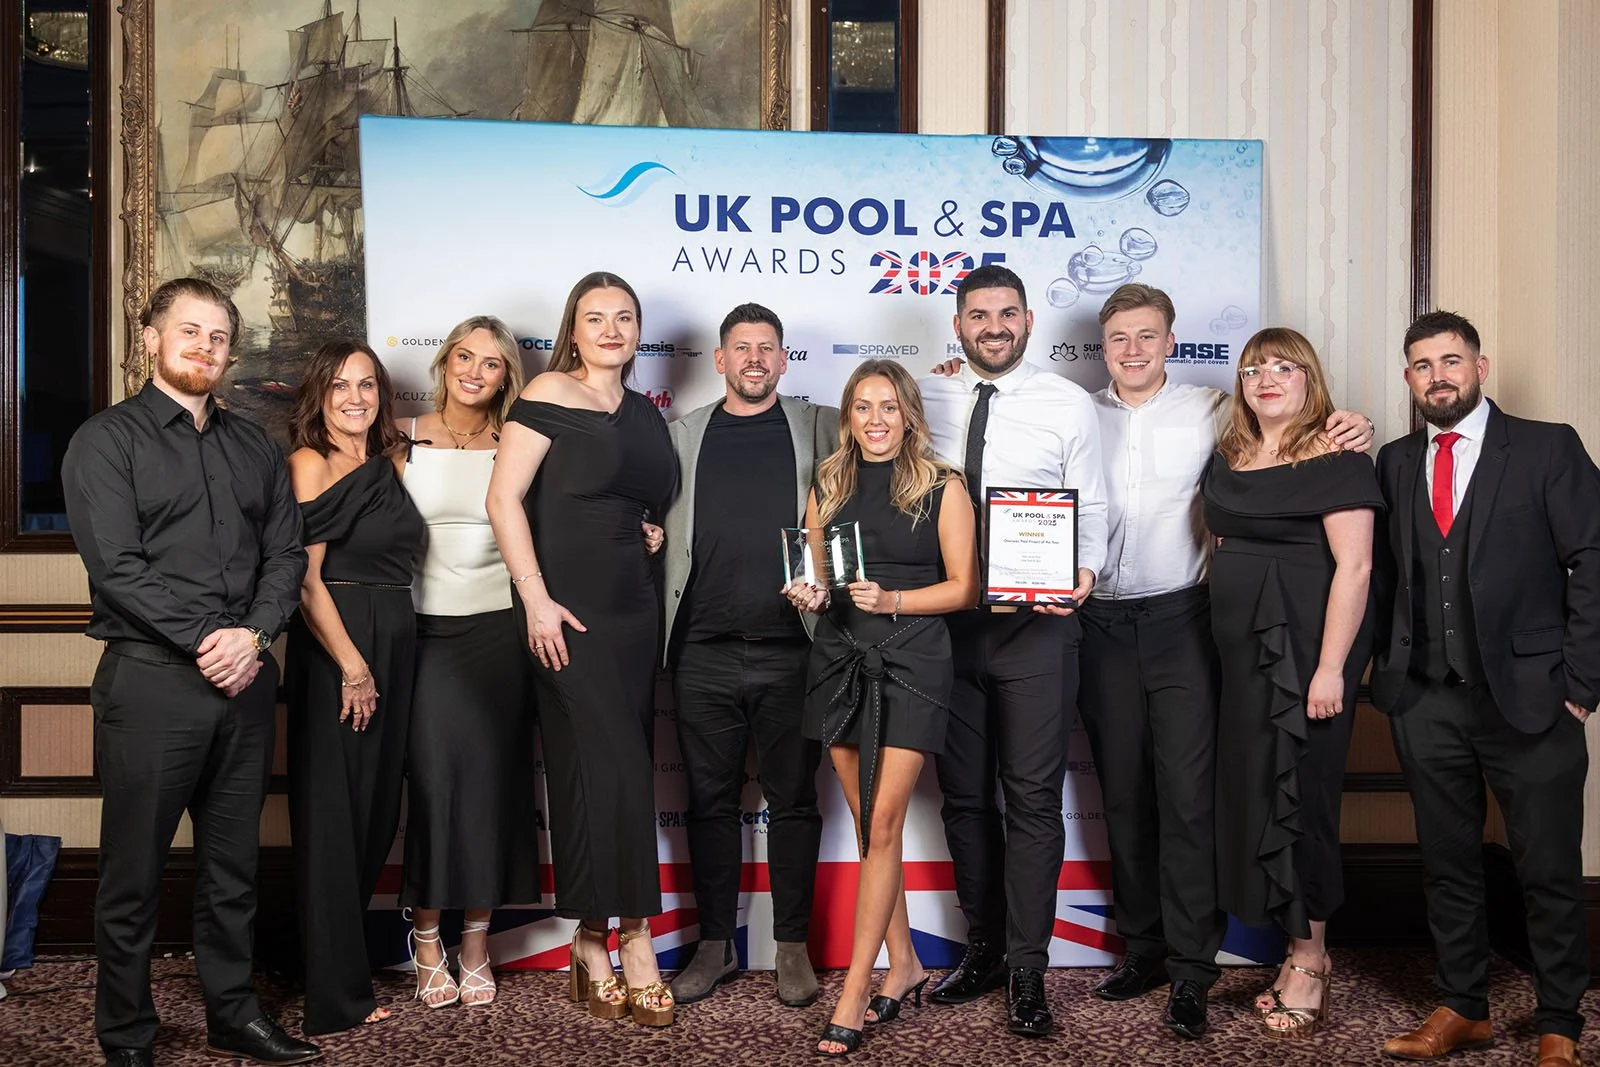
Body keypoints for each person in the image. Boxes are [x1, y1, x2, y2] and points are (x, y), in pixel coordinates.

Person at [1080, 285, 1373, 1039]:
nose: (1134, 348)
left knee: (1187, 797)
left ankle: (1191, 968)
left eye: (1148, 335)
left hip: (1185, 620)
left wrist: (1355, 422)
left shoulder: (1213, 410)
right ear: (1102, 345)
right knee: (1123, 794)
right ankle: (1142, 946)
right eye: (1119, 337)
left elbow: (1335, 511)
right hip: (1102, 620)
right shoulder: (1072, 410)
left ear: (1171, 342)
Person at [62, 278, 320, 1066]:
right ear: (150, 338)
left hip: (245, 685)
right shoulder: (105, 441)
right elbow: (117, 571)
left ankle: (232, 1013)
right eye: (189, 331)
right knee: (133, 874)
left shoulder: (254, 446)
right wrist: (218, 639)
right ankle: (128, 1035)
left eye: (217, 336)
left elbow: (285, 555)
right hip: (151, 684)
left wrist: (256, 635)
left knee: (231, 869)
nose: (205, 346)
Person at [1372, 312, 1597, 1067]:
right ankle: (1463, 1005)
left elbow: (1593, 561)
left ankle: (1559, 1018)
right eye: (1422, 364)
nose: (1438, 375)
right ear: (1409, 379)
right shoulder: (1396, 460)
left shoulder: (1546, 446)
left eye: (1451, 360)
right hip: (1427, 700)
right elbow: (1390, 579)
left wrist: (1583, 681)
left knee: (1547, 866)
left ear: (1481, 366)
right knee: (1447, 861)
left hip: (1534, 697)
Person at [914, 264, 1107, 1037]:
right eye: (977, 315)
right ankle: (983, 949)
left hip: (1039, 625)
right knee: (963, 797)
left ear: (1028, 322)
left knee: (1031, 800)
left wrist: (1084, 571)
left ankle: (1030, 969)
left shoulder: (1067, 402)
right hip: (949, 628)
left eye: (1006, 314)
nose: (992, 326)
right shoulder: (925, 396)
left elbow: (1090, 501)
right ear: (956, 326)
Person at [486, 272, 679, 1027]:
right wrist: (534, 597)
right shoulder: (546, 396)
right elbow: (503, 499)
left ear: (638, 330)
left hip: (634, 611)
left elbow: (635, 500)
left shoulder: (641, 412)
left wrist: (650, 530)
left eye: (624, 317)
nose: (610, 329)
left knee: (589, 773)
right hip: (561, 611)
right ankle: (635, 936)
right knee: (623, 772)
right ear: (573, 328)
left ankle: (589, 938)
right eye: (594, 317)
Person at [785, 360, 979, 1056]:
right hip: (839, 657)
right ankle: (906, 962)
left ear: (908, 414)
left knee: (885, 819)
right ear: (849, 414)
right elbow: (816, 576)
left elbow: (965, 587)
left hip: (914, 658)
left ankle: (855, 987)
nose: (875, 419)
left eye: (888, 407)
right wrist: (810, 593)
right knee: (872, 829)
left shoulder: (941, 484)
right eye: (863, 406)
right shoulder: (829, 481)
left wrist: (895, 599)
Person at [1199, 327, 1380, 1036]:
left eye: (1283, 366)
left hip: (1308, 658)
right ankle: (1286, 948)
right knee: (1257, 799)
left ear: (1310, 378)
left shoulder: (1339, 454)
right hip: (1238, 659)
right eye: (1253, 368)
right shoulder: (1228, 455)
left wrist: (1333, 666)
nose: (1265, 377)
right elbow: (1219, 548)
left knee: (1302, 801)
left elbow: (1356, 568)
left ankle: (1312, 957)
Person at [662, 303, 831, 1008]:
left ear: (784, 360)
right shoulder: (680, 435)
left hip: (796, 649)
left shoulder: (821, 424)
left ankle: (791, 946)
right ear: (721, 360)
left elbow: (899, 421)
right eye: (742, 348)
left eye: (768, 348)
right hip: (702, 649)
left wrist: (945, 377)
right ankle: (714, 946)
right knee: (707, 803)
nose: (756, 358)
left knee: (794, 801)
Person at [399, 316, 538, 1009]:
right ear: (445, 361)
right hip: (423, 635)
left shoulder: (516, 444)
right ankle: (426, 936)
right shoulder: (403, 437)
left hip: (498, 636)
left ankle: (476, 939)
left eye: (492, 363)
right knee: (433, 788)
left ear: (507, 376)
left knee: (490, 788)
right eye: (465, 356)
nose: (476, 371)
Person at [285, 340, 424, 1035]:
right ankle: (334, 996)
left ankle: (326, 961)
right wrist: (352, 664)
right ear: (320, 393)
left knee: (373, 815)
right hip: (337, 643)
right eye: (339, 385)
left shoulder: (396, 459)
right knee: (333, 818)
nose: (354, 397)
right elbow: (305, 580)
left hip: (397, 634)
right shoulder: (309, 462)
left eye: (366, 384)